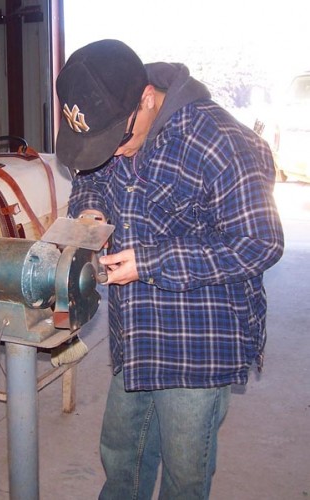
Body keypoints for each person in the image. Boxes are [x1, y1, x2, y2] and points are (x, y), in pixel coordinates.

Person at [55, 39, 284, 499]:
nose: (113, 153)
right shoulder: (117, 132)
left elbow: (261, 243)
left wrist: (152, 262)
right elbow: (91, 179)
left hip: (198, 345)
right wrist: (91, 212)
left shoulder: (221, 141)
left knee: (183, 476)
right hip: (137, 337)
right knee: (121, 457)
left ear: (147, 99)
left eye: (116, 140)